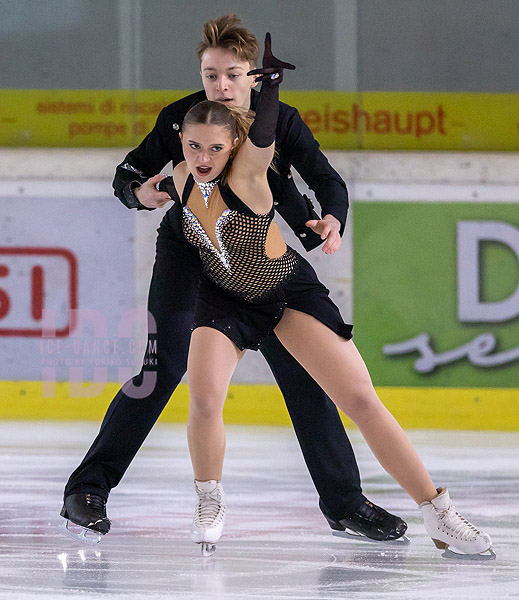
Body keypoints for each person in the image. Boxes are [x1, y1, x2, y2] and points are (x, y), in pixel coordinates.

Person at [61, 14, 407, 544]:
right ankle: (88, 490)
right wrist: (141, 194)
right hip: (189, 253)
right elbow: (128, 173)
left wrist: (330, 216)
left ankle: (344, 504)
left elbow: (324, 178)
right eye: (209, 74)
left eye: (231, 74)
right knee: (161, 368)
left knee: (305, 373)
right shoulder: (183, 119)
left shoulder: (282, 122)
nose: (220, 86)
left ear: (254, 77)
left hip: (253, 260)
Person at [175, 33, 494, 559]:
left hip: (285, 290)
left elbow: (268, 145)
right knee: (205, 396)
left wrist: (271, 89)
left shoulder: (253, 172)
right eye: (193, 146)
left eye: (215, 147)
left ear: (235, 144)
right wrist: (135, 187)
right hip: (225, 299)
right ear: (181, 143)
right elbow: (152, 184)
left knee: (360, 399)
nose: (204, 156)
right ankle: (209, 501)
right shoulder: (182, 175)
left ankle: (439, 512)